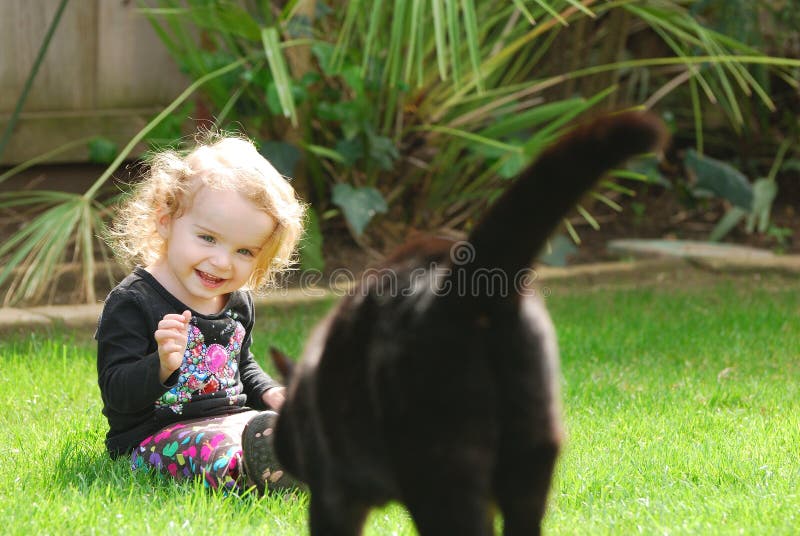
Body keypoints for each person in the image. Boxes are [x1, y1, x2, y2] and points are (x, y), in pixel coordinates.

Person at [95, 135, 305, 494]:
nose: (222, 262)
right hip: (156, 436)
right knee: (217, 452)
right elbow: (116, 392)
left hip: (234, 422)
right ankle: (259, 472)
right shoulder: (134, 301)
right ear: (165, 220)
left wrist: (269, 392)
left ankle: (301, 462)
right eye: (208, 238)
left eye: (244, 250)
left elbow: (242, 365)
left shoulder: (236, 300)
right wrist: (160, 365)